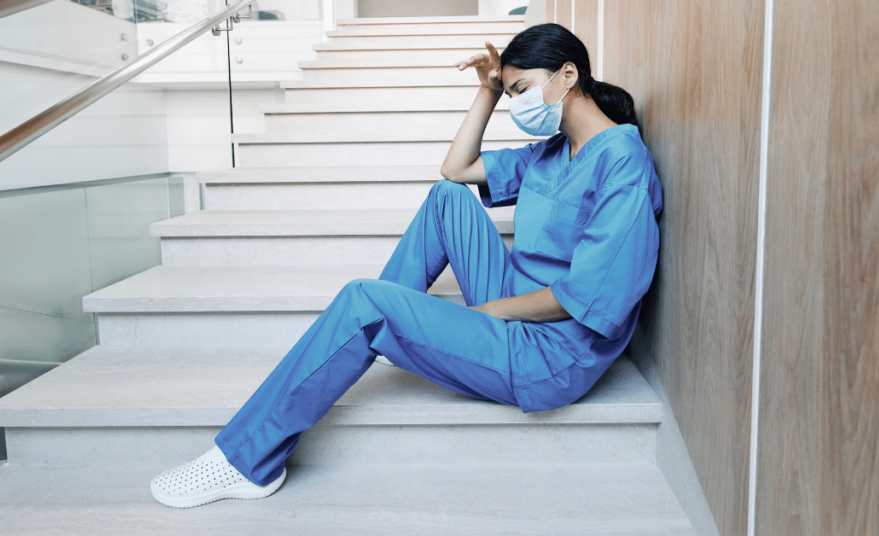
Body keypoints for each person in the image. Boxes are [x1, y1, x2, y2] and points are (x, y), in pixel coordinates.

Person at [150, 23, 663, 509]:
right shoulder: (550, 152)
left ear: (568, 75)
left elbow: (594, 297)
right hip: (518, 300)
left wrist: (489, 312)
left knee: (363, 300)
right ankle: (386, 329)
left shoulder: (622, 161)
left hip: (553, 352)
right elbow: (456, 169)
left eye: (521, 90)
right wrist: (486, 90)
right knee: (448, 199)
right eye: (511, 96)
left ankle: (246, 462)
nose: (517, 105)